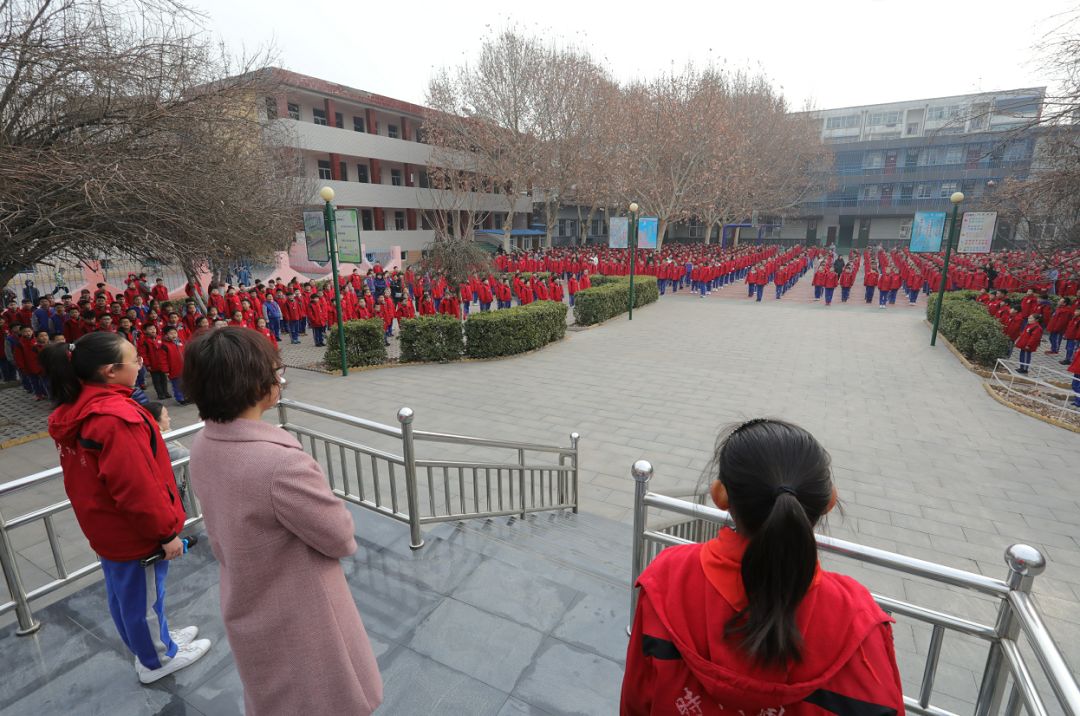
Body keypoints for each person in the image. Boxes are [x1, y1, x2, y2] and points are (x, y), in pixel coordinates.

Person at [621, 419, 903, 716]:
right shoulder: (860, 624)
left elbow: (636, 701)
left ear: (720, 495)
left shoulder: (668, 581)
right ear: (829, 501)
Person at [183, 328, 382, 715]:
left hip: (246, 596)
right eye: (277, 371)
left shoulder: (205, 444)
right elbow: (340, 538)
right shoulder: (279, 464)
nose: (280, 379)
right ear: (255, 383)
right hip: (301, 613)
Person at [41, 332, 211, 684]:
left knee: (126, 595)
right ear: (110, 371)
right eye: (133, 359)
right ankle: (157, 659)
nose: (139, 364)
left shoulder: (77, 408)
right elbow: (137, 487)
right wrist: (166, 533)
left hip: (106, 526)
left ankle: (153, 642)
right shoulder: (115, 418)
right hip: (133, 532)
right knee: (143, 599)